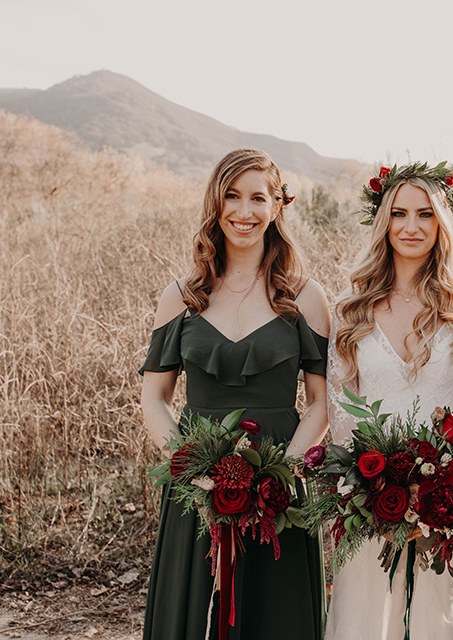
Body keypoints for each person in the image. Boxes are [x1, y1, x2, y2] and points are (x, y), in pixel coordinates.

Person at [139, 149, 331, 640]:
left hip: (280, 482)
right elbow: (155, 398)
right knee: (195, 607)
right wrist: (188, 464)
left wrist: (281, 475)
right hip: (198, 479)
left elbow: (320, 403)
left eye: (257, 198)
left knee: (277, 613)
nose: (244, 212)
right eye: (232, 196)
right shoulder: (181, 295)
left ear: (277, 207)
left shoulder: (305, 296)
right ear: (215, 202)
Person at [325, 163, 453, 640]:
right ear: (383, 223)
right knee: (361, 613)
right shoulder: (349, 308)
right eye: (399, 214)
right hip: (368, 494)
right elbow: (339, 404)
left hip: (442, 496)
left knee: (433, 614)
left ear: (442, 225)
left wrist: (438, 488)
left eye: (425, 215)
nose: (411, 227)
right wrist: (367, 487)